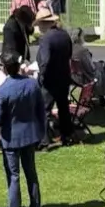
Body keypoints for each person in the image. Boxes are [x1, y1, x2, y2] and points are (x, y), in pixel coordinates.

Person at [0, 53, 46, 207]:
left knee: (13, 175)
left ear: (5, 68)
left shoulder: (2, 90)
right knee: (31, 173)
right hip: (29, 136)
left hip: (11, 139)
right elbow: (40, 110)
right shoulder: (32, 84)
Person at [38, 15, 74, 145]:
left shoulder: (46, 38)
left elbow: (45, 60)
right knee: (63, 107)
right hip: (63, 77)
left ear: (44, 24)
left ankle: (44, 140)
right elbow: (70, 54)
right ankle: (67, 136)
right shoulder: (64, 35)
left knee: (44, 109)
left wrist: (41, 75)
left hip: (50, 79)